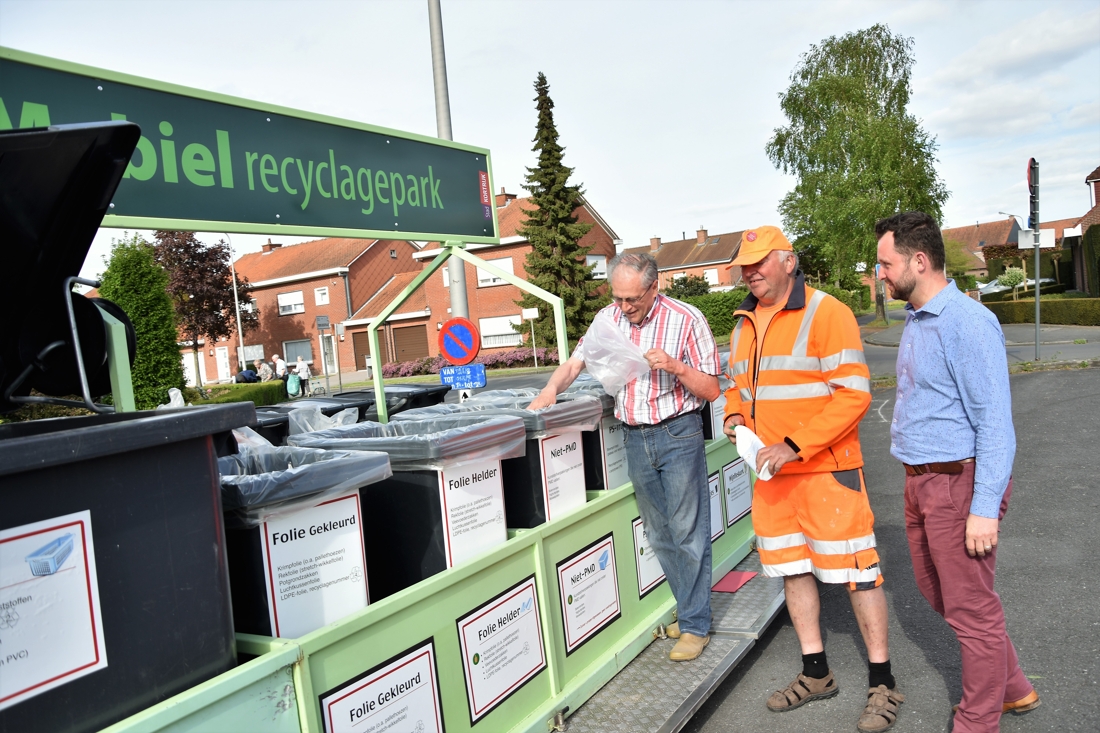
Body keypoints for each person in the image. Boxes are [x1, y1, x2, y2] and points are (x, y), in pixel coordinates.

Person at [722, 226, 902, 733]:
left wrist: (794, 446)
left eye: (760, 263)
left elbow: (853, 394)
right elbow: (737, 388)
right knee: (793, 572)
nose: (750, 272)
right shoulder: (742, 323)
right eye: (745, 266)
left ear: (789, 261)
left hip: (826, 473)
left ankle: (882, 683)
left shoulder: (828, 313)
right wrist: (734, 417)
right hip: (772, 479)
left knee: (858, 575)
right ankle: (816, 672)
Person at [876, 212, 1038, 731]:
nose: (879, 274)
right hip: (921, 482)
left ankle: (977, 721)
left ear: (918, 262)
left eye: (885, 264)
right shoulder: (918, 317)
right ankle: (1013, 689)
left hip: (957, 485)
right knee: (938, 593)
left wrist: (983, 509)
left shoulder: (966, 322)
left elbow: (996, 423)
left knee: (972, 611)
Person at [528, 252, 721, 662]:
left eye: (632, 298)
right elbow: (576, 362)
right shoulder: (608, 319)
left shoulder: (687, 319)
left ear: (655, 287)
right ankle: (690, 612)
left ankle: (695, 626)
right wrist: (549, 392)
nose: (625, 307)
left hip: (678, 432)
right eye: (618, 297)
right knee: (659, 534)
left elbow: (712, 389)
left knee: (688, 530)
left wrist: (675, 367)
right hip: (634, 435)